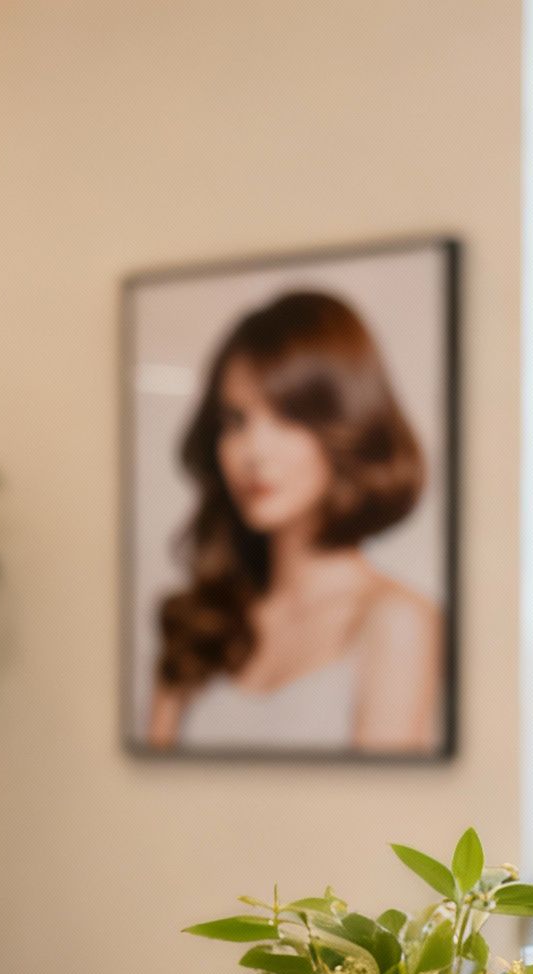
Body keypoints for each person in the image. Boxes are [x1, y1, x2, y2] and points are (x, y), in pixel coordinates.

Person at [145, 290, 441, 754]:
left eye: (287, 416)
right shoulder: (201, 622)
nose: (254, 452)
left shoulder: (396, 623)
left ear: (346, 424)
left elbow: (385, 817)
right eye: (236, 421)